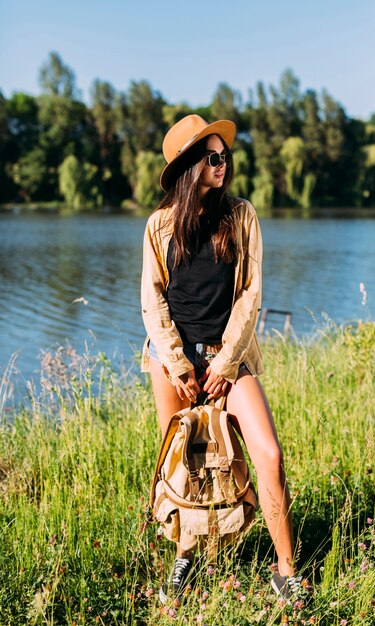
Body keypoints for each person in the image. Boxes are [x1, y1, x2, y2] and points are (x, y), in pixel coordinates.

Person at [141, 114, 301, 604]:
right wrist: (177, 364)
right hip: (174, 367)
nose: (222, 164)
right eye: (212, 157)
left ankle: (285, 571)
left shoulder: (242, 216)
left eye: (224, 155)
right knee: (182, 467)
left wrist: (226, 363)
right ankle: (184, 559)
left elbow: (250, 294)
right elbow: (152, 299)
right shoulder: (159, 225)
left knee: (268, 456)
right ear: (191, 165)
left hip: (229, 360)